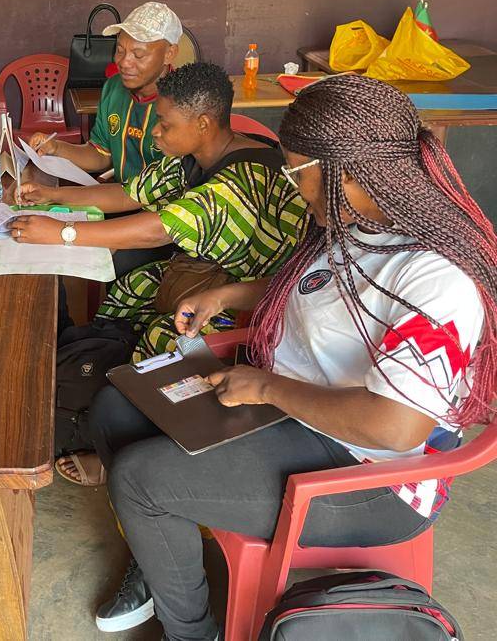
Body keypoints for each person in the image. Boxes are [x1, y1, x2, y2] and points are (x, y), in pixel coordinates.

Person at [87, 74, 497, 640]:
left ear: (344, 172)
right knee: (114, 407)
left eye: (296, 171)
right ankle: (159, 550)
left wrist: (265, 387)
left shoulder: (435, 279)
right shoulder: (357, 224)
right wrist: (225, 295)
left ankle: (190, 631)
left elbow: (396, 427)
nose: (292, 185)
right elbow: (316, 286)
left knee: (139, 478)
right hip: (292, 415)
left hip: (369, 472)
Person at [9, 63, 307, 486]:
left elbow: (159, 229)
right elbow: (131, 192)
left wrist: (63, 233)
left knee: (165, 336)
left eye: (165, 125)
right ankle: (103, 388)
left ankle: (125, 449)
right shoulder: (193, 156)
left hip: (254, 303)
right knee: (130, 289)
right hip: (206, 275)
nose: (155, 132)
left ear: (202, 124)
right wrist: (53, 195)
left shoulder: (242, 181)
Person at [23, 1, 181, 211]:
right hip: (115, 202)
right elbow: (101, 154)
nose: (124, 62)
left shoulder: (184, 104)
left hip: (164, 215)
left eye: (138, 54)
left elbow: (144, 195)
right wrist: (56, 148)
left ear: (170, 53)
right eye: (120, 50)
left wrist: (54, 195)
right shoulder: (114, 87)